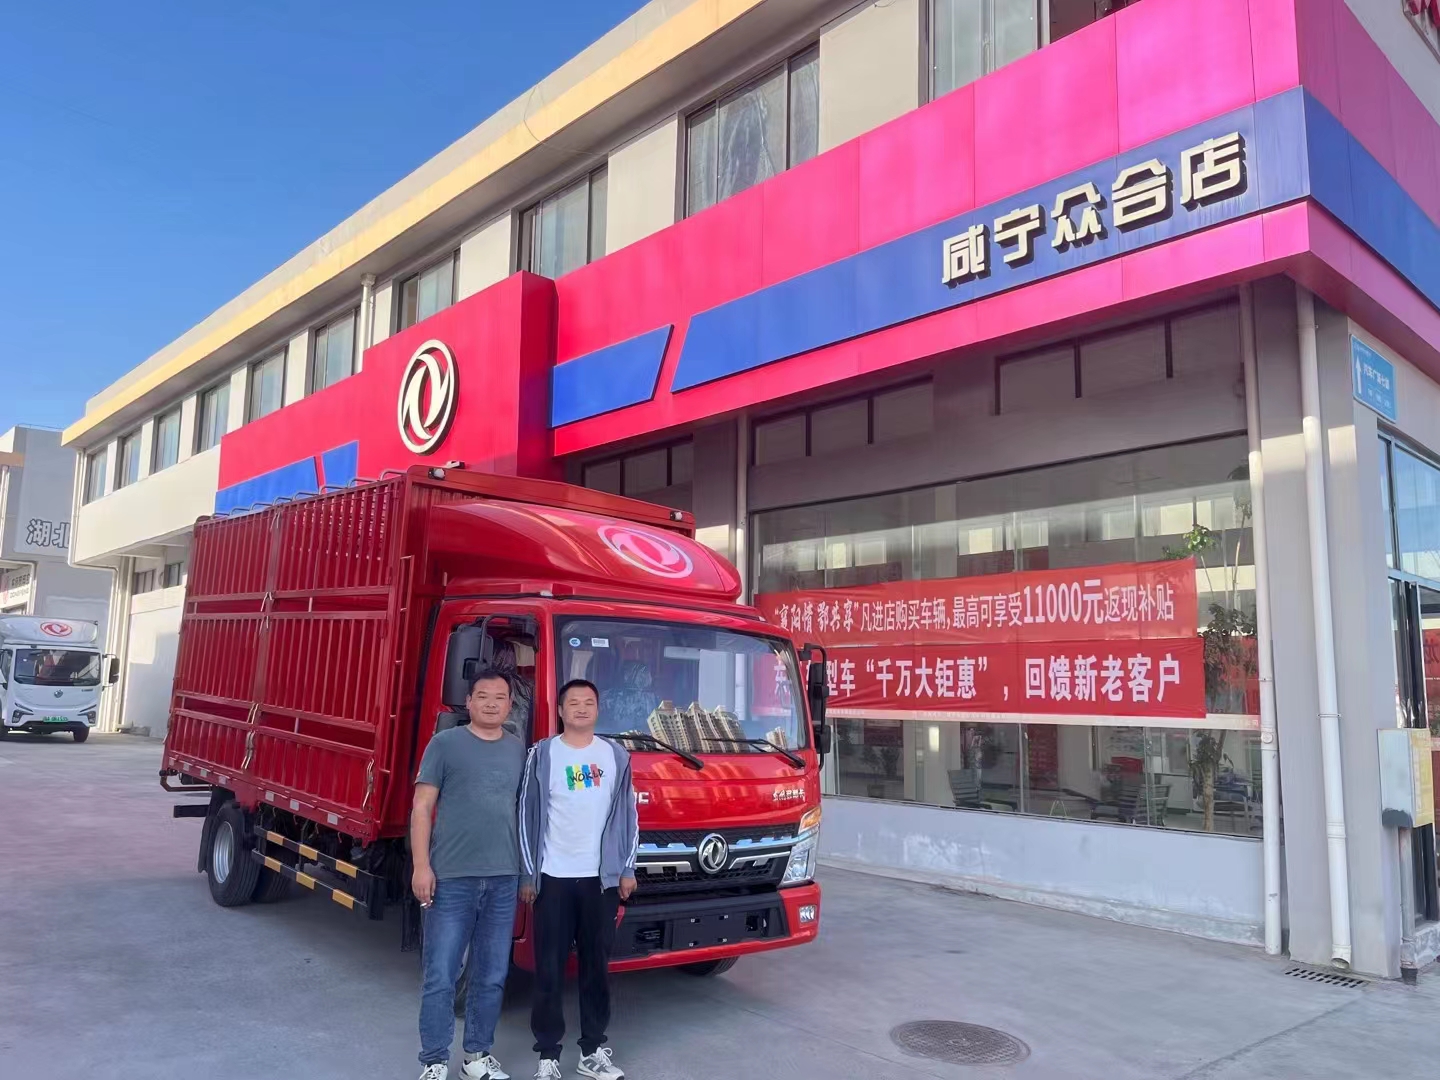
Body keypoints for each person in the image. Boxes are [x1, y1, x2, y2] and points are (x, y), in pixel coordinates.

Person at [519, 679, 639, 1080]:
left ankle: (592, 1051)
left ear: (598, 709)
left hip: (599, 883)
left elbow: (629, 816)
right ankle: (548, 1055)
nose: (581, 708)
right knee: (549, 969)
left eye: (589, 702)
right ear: (560, 710)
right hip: (553, 878)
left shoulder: (615, 755)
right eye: (573, 702)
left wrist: (626, 869)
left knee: (595, 967)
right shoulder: (543, 754)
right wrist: (529, 873)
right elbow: (526, 814)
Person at [412, 667, 528, 1080]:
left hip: (503, 878)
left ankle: (476, 1057)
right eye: (483, 696)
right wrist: (421, 866)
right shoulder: (445, 744)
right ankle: (434, 1061)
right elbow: (422, 807)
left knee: (492, 974)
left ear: (510, 705)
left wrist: (526, 875)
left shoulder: (517, 750)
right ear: (469, 702)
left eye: (499, 697)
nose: (491, 704)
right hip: (452, 877)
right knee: (441, 974)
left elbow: (525, 814)